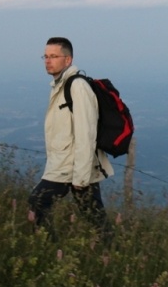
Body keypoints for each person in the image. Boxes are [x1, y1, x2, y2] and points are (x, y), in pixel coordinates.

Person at [28, 37, 114, 244]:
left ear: (68, 60)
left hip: (71, 166)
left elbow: (86, 133)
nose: (48, 61)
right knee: (93, 213)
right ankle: (111, 250)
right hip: (68, 164)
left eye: (53, 56)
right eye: (45, 57)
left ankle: (50, 249)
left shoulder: (77, 87)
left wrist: (81, 177)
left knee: (37, 201)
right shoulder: (61, 85)